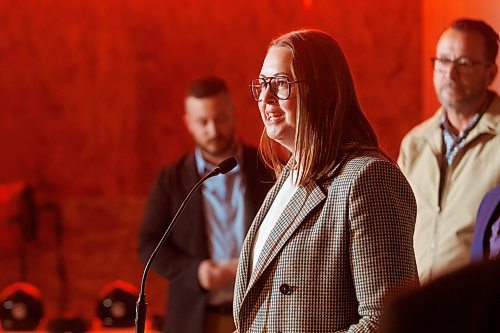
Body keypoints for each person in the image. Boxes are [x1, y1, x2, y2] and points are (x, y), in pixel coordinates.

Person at [232, 29, 419, 333]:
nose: (265, 98)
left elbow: (388, 322)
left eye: (281, 84)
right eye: (263, 83)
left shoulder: (367, 178)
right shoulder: (287, 178)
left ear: (322, 90)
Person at [138, 77, 273, 333]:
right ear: (188, 123)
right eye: (203, 122)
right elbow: (148, 244)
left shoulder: (269, 169)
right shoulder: (171, 179)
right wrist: (195, 272)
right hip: (193, 320)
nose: (213, 130)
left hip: (260, 316)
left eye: (220, 118)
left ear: (233, 113)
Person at [398, 19, 500, 283]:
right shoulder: (415, 142)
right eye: (443, 61)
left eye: (464, 63)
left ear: (491, 73)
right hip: (417, 305)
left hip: (478, 311)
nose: (450, 74)